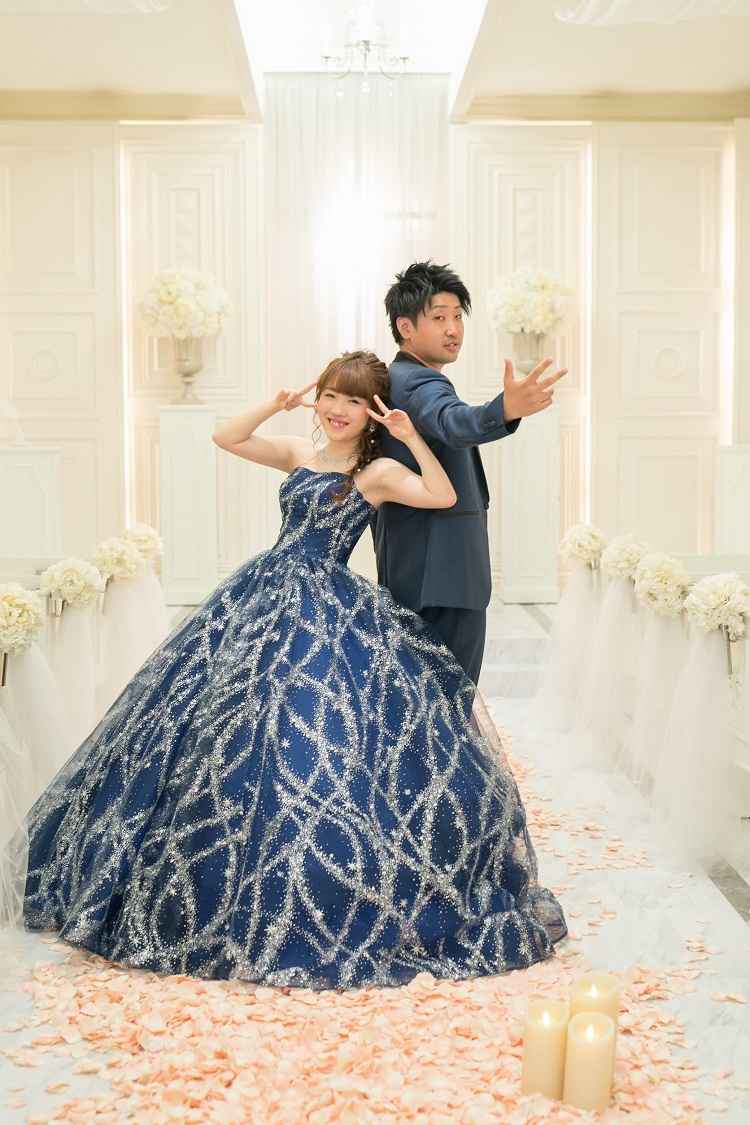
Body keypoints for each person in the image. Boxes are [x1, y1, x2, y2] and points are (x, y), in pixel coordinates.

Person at [16, 350, 565, 990]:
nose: (337, 410)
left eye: (353, 401)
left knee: (309, 732)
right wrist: (276, 404)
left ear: (373, 412)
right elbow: (227, 437)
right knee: (218, 721)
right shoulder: (302, 454)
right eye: (330, 396)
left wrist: (411, 436)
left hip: (326, 603)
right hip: (262, 593)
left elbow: (442, 495)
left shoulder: (377, 471)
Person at [375, 261, 567, 685]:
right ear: (405, 327)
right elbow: (454, 422)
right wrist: (504, 410)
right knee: (449, 697)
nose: (453, 329)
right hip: (443, 573)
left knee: (423, 697)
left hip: (416, 566)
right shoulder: (419, 383)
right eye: (439, 318)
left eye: (458, 317)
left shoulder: (401, 378)